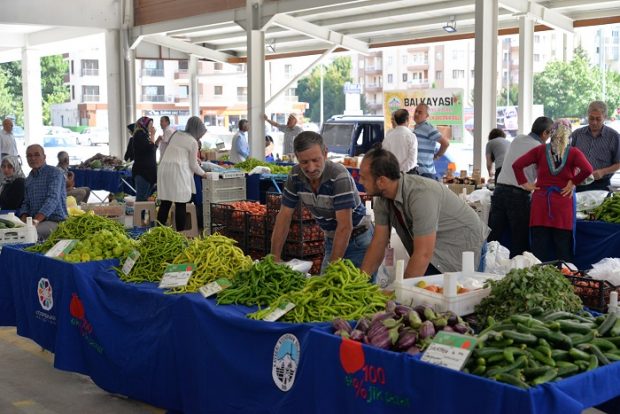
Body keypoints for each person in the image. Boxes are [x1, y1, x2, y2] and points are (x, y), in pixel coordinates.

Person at [359, 147, 488, 278]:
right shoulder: (383, 197)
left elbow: (424, 253)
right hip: (434, 249)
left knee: (460, 293)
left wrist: (400, 293)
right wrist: (358, 284)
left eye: (364, 178)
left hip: (463, 245)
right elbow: (378, 243)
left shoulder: (421, 194)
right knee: (427, 293)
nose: (360, 181)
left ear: (381, 181)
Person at [270, 131, 373, 272]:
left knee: (359, 289)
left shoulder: (338, 175)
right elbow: (284, 216)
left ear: (325, 153)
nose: (311, 168)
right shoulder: (294, 176)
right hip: (332, 239)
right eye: (304, 162)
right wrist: (274, 257)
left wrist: (332, 270)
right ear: (296, 158)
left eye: (315, 160)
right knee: (326, 289)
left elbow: (344, 227)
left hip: (359, 241)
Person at [513, 119, 593, 262]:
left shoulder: (540, 150)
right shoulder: (574, 153)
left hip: (541, 203)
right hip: (563, 203)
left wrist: (525, 184)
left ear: (552, 133)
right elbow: (588, 170)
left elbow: (517, 165)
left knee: (539, 250)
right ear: (569, 134)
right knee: (563, 249)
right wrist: (573, 182)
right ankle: (564, 280)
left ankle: (538, 281)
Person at [487, 117, 553, 258]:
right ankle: (516, 270)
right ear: (545, 133)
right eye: (550, 134)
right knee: (519, 239)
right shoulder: (540, 148)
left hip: (499, 190)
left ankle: (484, 266)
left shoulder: (518, 139)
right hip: (518, 195)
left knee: (493, 236)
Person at [156, 116, 208, 231]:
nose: (200, 136)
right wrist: (204, 174)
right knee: (181, 203)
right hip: (178, 172)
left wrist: (194, 160)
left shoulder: (177, 134)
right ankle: (180, 235)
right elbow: (193, 165)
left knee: (166, 202)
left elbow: (179, 152)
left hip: (164, 169)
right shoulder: (193, 141)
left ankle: (158, 232)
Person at [18, 144, 67, 241]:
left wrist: (36, 221)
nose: (33, 158)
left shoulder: (55, 173)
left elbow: (52, 199)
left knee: (28, 235)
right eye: (29, 156)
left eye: (37, 155)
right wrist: (23, 219)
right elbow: (26, 203)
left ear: (44, 157)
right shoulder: (29, 179)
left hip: (55, 221)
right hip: (34, 222)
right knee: (17, 232)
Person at [570, 101, 620, 192]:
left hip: (601, 184)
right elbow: (567, 157)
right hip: (578, 183)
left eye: (598, 119)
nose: (594, 122)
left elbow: (618, 163)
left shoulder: (614, 136)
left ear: (605, 117)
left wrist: (603, 172)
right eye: (591, 118)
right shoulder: (577, 134)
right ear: (587, 115)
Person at [413, 104, 449, 180]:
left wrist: (437, 155)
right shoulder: (416, 128)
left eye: (420, 112)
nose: (416, 114)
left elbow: (445, 143)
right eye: (416, 111)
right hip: (418, 173)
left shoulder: (428, 128)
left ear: (426, 116)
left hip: (425, 173)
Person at [382, 109, 418, 174]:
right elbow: (412, 160)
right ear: (407, 119)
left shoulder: (388, 136)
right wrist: (401, 170)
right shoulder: (411, 136)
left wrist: (396, 170)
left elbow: (384, 156)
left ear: (395, 120)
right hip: (408, 174)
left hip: (392, 173)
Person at [131, 117, 158, 201]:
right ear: (144, 125)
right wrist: (153, 135)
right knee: (141, 200)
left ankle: (141, 214)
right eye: (150, 125)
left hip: (147, 173)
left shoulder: (145, 135)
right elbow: (150, 148)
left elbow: (151, 150)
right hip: (143, 173)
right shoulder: (140, 135)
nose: (152, 127)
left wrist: (157, 142)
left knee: (144, 199)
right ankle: (139, 214)